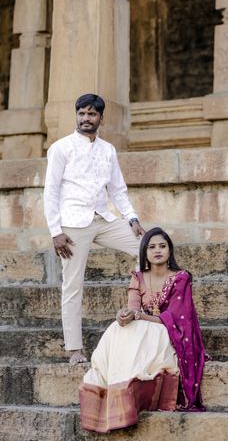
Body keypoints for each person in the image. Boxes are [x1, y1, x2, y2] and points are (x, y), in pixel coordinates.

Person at [43, 93, 145, 365]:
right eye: (82, 113)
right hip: (72, 225)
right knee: (72, 285)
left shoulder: (108, 149)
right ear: (76, 115)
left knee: (146, 250)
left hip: (104, 218)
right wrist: (55, 231)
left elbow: (118, 189)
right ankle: (75, 351)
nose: (86, 118)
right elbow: (51, 192)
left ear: (101, 118)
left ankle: (142, 311)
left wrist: (132, 218)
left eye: (91, 114)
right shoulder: (61, 148)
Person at [79, 227, 208, 434]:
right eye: (152, 247)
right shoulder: (138, 277)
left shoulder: (181, 277)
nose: (157, 250)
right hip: (143, 329)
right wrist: (124, 315)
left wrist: (139, 316)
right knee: (117, 329)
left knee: (140, 330)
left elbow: (175, 318)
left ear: (169, 250)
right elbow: (133, 308)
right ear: (144, 252)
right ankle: (113, 397)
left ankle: (127, 398)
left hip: (168, 332)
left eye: (162, 246)